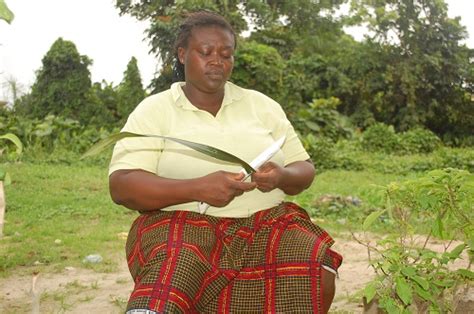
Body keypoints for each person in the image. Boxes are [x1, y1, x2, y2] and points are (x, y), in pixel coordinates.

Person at [109, 11, 342, 314]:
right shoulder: (155, 110)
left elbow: (304, 169)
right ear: (182, 55)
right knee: (175, 269)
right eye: (205, 52)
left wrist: (281, 175)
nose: (217, 61)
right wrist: (197, 188)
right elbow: (122, 186)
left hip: (265, 224)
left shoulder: (262, 106)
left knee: (315, 265)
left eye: (226, 54)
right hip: (181, 225)